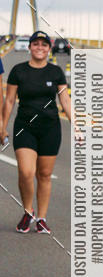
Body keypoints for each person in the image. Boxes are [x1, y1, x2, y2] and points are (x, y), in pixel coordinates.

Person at [2, 30, 72, 234]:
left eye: (44, 44)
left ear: (49, 48)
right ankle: (28, 211)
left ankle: (41, 218)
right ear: (30, 47)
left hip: (50, 128)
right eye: (36, 44)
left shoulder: (55, 72)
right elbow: (9, 101)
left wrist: (76, 126)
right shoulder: (18, 71)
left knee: (44, 174)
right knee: (26, 172)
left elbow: (65, 100)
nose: (39, 47)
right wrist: (2, 127)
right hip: (25, 127)